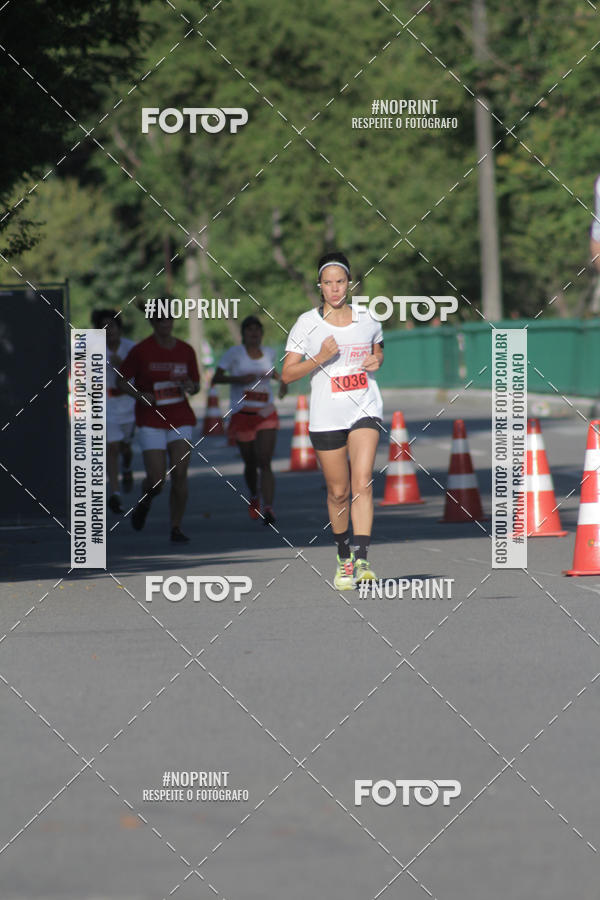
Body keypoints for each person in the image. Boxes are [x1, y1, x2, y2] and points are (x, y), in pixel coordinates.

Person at [282, 252, 384, 589]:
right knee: (339, 492)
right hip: (326, 416)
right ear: (320, 287)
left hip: (364, 407)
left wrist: (376, 359)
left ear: (349, 284)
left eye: (340, 282)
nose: (335, 288)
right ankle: (344, 558)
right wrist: (320, 357)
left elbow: (378, 348)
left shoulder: (368, 318)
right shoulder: (306, 324)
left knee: (363, 481)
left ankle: (364, 557)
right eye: (328, 283)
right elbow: (286, 374)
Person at [117, 311, 200, 542]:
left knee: (180, 473)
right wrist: (139, 394)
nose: (165, 324)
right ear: (153, 323)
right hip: (150, 419)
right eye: (160, 321)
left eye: (169, 320)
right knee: (157, 480)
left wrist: (191, 387)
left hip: (180, 417)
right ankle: (145, 502)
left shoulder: (185, 350)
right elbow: (120, 381)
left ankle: (176, 527)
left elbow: (196, 385)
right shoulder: (141, 350)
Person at [213, 315, 285, 526]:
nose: (254, 333)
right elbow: (217, 377)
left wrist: (282, 382)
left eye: (257, 330)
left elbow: (275, 374)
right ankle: (254, 495)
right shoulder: (234, 354)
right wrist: (238, 379)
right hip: (242, 415)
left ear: (261, 333)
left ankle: (269, 508)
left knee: (265, 460)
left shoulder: (270, 353)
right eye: (250, 330)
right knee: (250, 462)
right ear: (243, 334)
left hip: (266, 412)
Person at [91, 309, 136, 514]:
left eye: (112, 327)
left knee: (126, 446)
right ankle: (115, 493)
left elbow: (141, 373)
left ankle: (127, 466)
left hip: (129, 401)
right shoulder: (93, 349)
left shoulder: (131, 348)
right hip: (107, 403)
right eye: (104, 328)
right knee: (112, 447)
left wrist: (124, 366)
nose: (109, 332)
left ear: (119, 329)